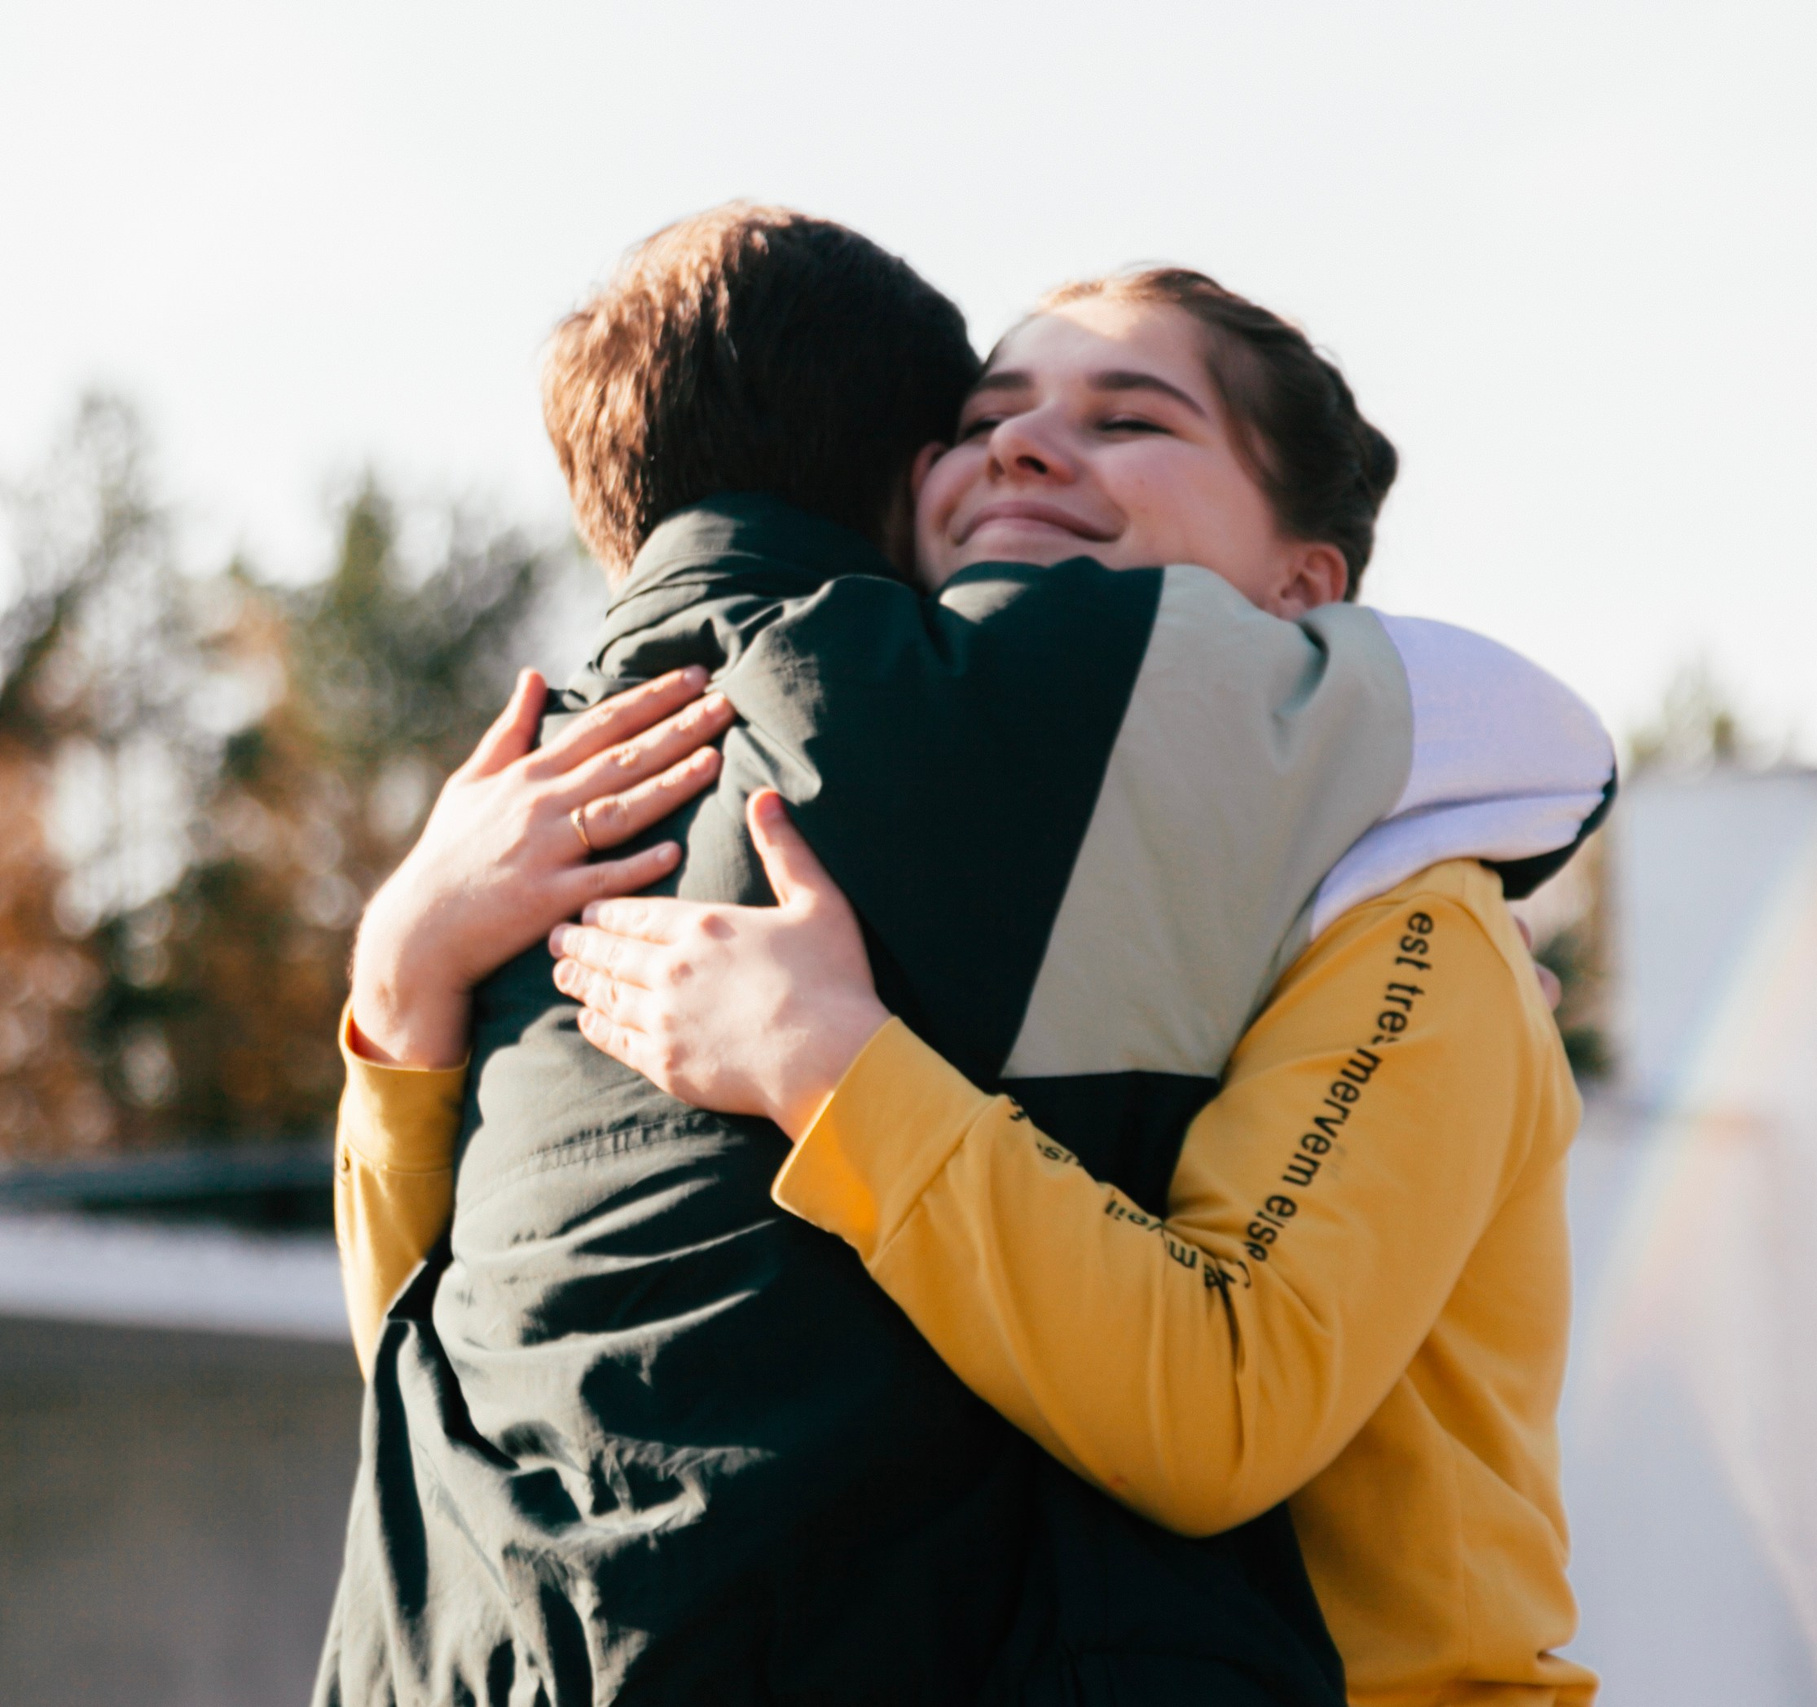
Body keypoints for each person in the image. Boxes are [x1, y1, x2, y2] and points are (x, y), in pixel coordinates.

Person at [325, 210, 1608, 1707]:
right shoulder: (957, 866)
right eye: (984, 421)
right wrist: (403, 990)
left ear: (1301, 594)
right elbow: (488, 1364)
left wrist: (835, 1069)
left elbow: (1222, 1407)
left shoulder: (1410, 920)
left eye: (1131, 420)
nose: (1025, 450)